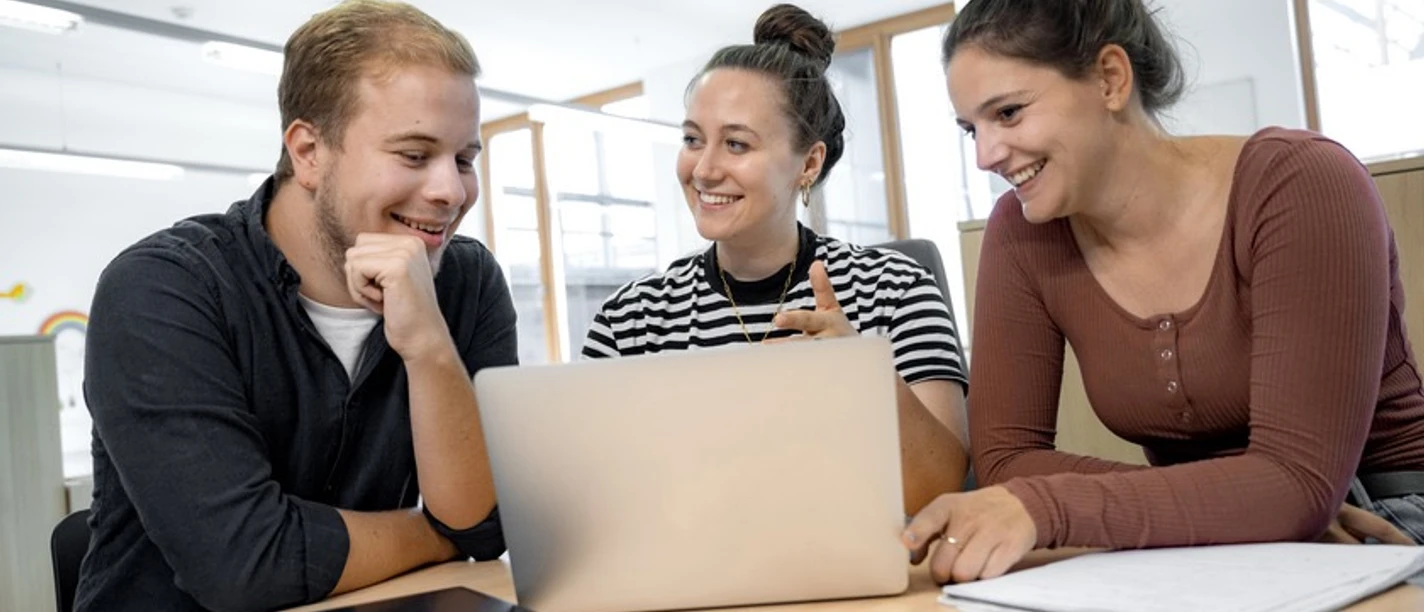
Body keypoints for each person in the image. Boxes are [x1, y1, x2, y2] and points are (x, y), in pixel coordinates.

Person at [902, 0, 1424, 585]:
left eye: (1009, 113)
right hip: (1202, 540)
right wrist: (1249, 507)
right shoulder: (1021, 233)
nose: (985, 155)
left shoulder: (1300, 185)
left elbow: (1298, 481)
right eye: (971, 128)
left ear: (1110, 79)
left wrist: (1048, 504)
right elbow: (1007, 461)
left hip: (1385, 521)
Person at [75, 2, 515, 609]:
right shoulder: (163, 288)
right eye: (414, 155)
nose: (450, 190)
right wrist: (437, 534)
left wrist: (429, 346)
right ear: (309, 151)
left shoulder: (466, 280)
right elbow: (245, 565)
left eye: (464, 159)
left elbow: (489, 522)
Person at [581, 3, 970, 513]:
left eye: (736, 144)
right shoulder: (630, 320)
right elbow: (592, 498)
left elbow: (941, 488)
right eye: (693, 139)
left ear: (808, 162)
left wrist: (862, 376)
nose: (703, 169)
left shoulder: (895, 289)